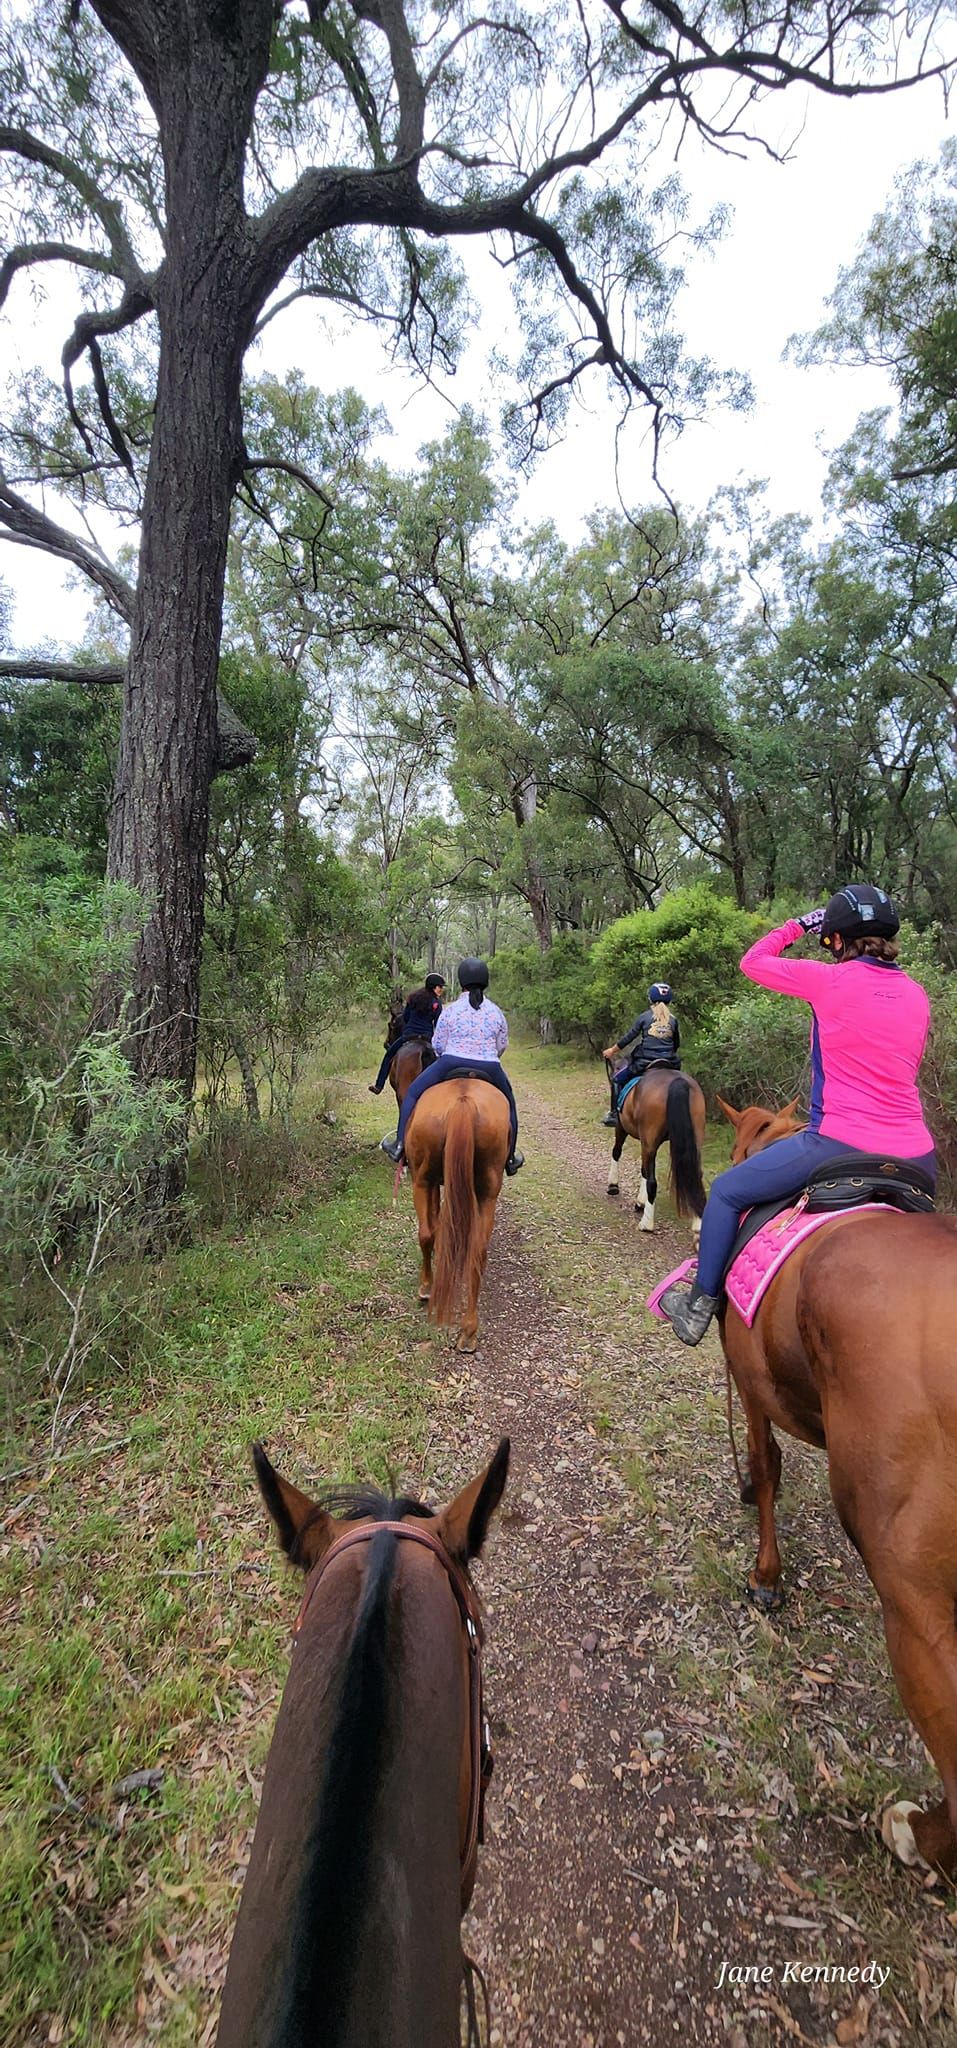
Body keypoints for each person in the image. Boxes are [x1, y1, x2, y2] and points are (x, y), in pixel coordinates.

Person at [661, 885, 936, 1346]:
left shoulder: (828, 980)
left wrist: (798, 926)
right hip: (918, 1158)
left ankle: (698, 1306)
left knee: (728, 1191)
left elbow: (752, 961)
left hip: (838, 1141)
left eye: (828, 940)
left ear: (835, 940)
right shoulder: (917, 995)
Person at [380, 958, 524, 1175]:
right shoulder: (496, 1012)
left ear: (462, 982)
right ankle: (510, 1156)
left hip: (451, 1061)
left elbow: (438, 1044)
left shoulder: (451, 1010)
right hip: (490, 1065)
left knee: (412, 1094)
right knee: (510, 1104)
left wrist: (447, 1055)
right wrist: (487, 1056)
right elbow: (502, 1045)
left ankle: (400, 1144)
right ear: (485, 982)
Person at [601, 983, 680, 1125]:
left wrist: (612, 1051)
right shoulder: (673, 1020)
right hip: (670, 1061)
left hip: (644, 1062)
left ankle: (614, 1114)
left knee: (617, 1079)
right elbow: (676, 1044)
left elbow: (629, 1037)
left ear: (650, 999)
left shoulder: (644, 1017)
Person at [369, 973, 446, 1094]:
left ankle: (379, 1085)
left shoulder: (413, 998)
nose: (441, 989)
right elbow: (438, 1023)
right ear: (433, 987)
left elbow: (405, 1017)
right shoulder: (436, 1003)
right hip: (427, 1039)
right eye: (439, 987)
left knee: (389, 1055)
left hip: (408, 1036)